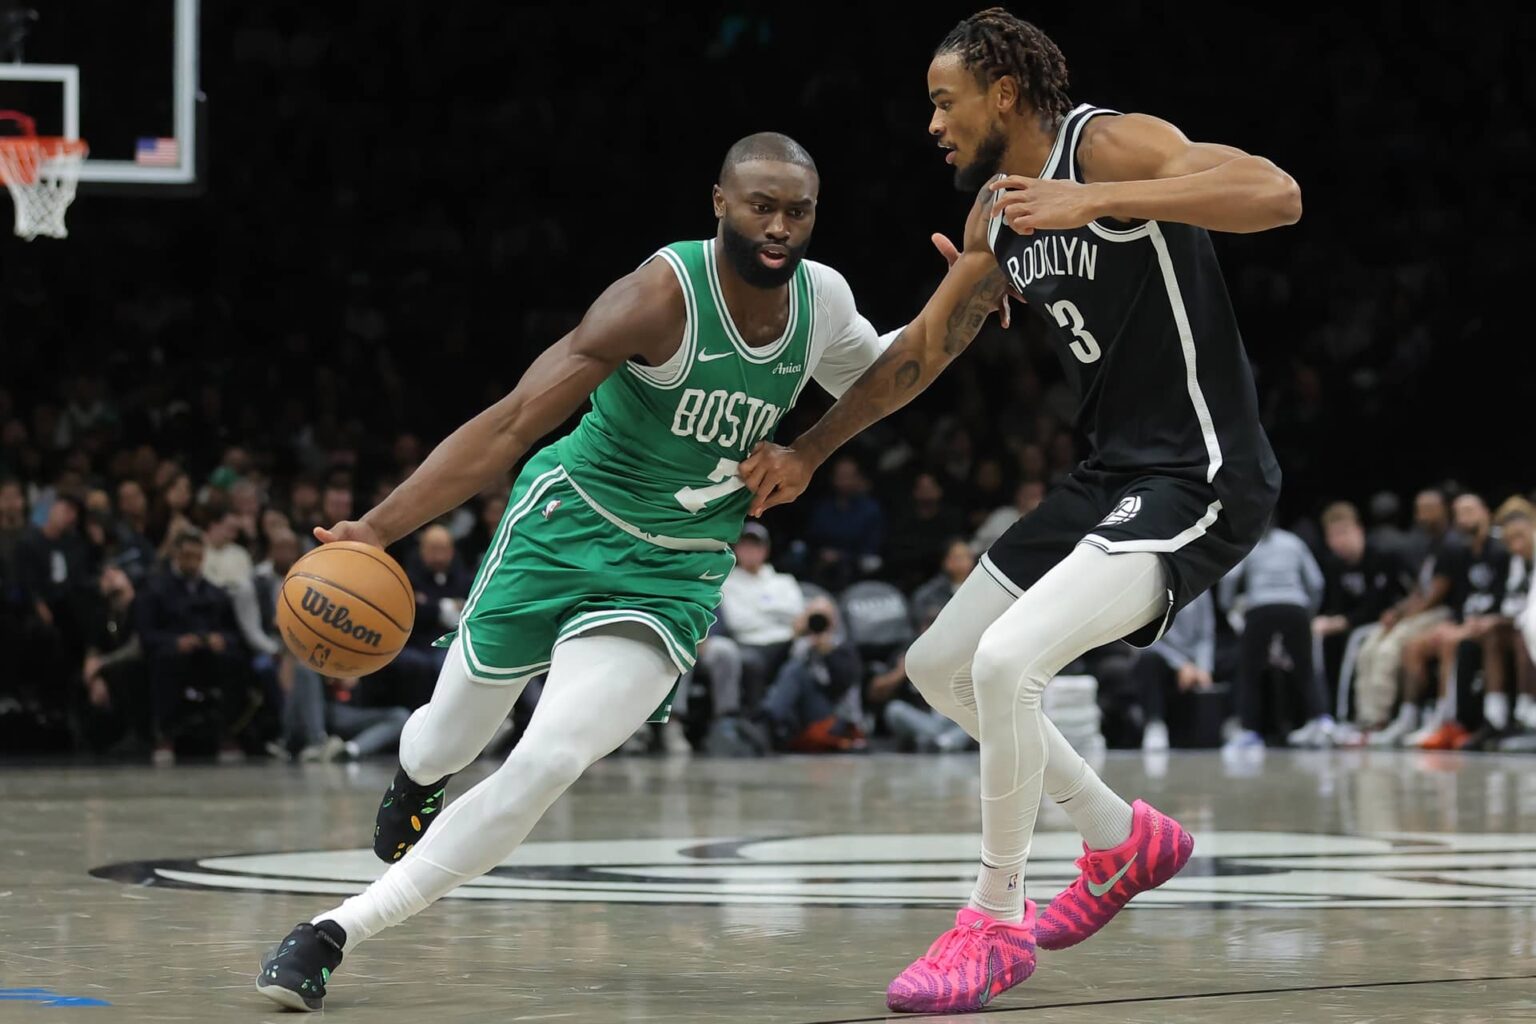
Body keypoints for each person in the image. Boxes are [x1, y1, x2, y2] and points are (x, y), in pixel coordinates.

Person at [254, 131, 1007, 1011]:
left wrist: (968, 291)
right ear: (718, 203)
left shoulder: (820, 301)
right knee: (444, 736)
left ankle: (333, 931)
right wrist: (377, 530)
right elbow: (509, 425)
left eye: (797, 211)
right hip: (562, 529)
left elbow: (894, 367)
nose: (778, 227)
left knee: (548, 758)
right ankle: (417, 779)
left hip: (673, 572)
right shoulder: (658, 297)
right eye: (759, 205)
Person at [740, 10, 1298, 1012]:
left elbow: (1275, 193)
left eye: (944, 101)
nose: (933, 125)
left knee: (1007, 661)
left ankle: (994, 920)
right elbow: (917, 352)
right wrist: (808, 450)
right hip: (1110, 472)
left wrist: (1096, 200)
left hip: (1200, 474)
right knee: (940, 663)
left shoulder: (1105, 144)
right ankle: (1121, 837)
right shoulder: (1002, 214)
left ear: (1004, 92)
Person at [1217, 524, 1327, 750]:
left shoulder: (1249, 542)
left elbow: (1230, 578)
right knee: (1306, 666)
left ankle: (1249, 730)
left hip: (1260, 609)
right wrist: (1308, 611)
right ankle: (1322, 721)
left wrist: (1227, 607)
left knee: (1249, 671)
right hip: (1294, 607)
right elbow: (1316, 582)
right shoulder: (1294, 542)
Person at [1134, 591, 1215, 751]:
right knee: (1147, 659)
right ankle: (1155, 724)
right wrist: (1181, 664)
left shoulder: (1202, 591)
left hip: (1194, 660)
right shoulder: (1153, 590)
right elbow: (1150, 640)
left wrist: (1203, 667)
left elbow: (1206, 635)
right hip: (1164, 657)